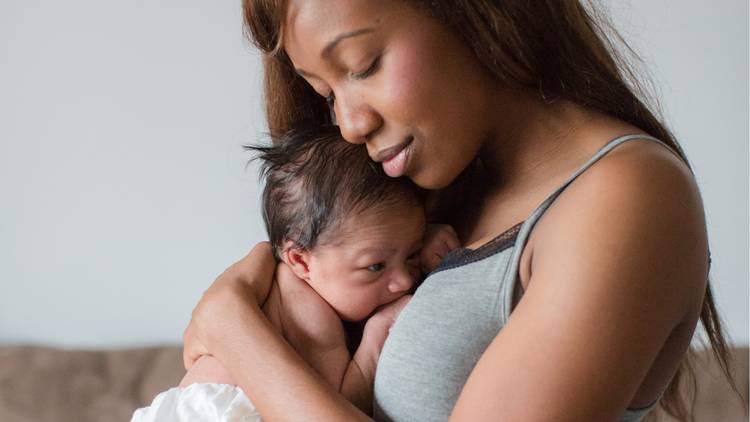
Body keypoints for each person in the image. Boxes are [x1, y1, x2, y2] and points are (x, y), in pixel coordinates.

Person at [182, 1, 735, 421]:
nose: (349, 124)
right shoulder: (429, 199)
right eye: (326, 94)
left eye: (364, 64)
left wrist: (233, 323)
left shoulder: (623, 195)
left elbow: (228, 324)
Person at [133, 127, 461, 421]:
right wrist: (380, 329)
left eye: (412, 256)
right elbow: (337, 404)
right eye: (376, 266)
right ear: (301, 262)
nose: (404, 281)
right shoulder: (309, 314)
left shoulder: (290, 278)